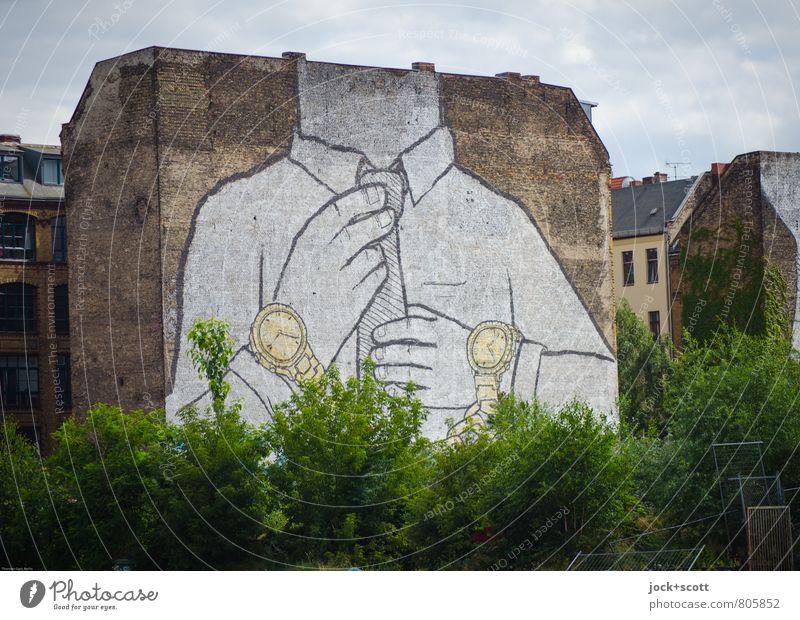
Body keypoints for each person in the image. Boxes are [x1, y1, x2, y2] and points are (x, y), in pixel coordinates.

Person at [167, 60, 616, 438]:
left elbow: (602, 399)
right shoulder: (235, 217)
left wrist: (495, 375)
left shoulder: (500, 220)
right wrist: (297, 343)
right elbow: (185, 443)